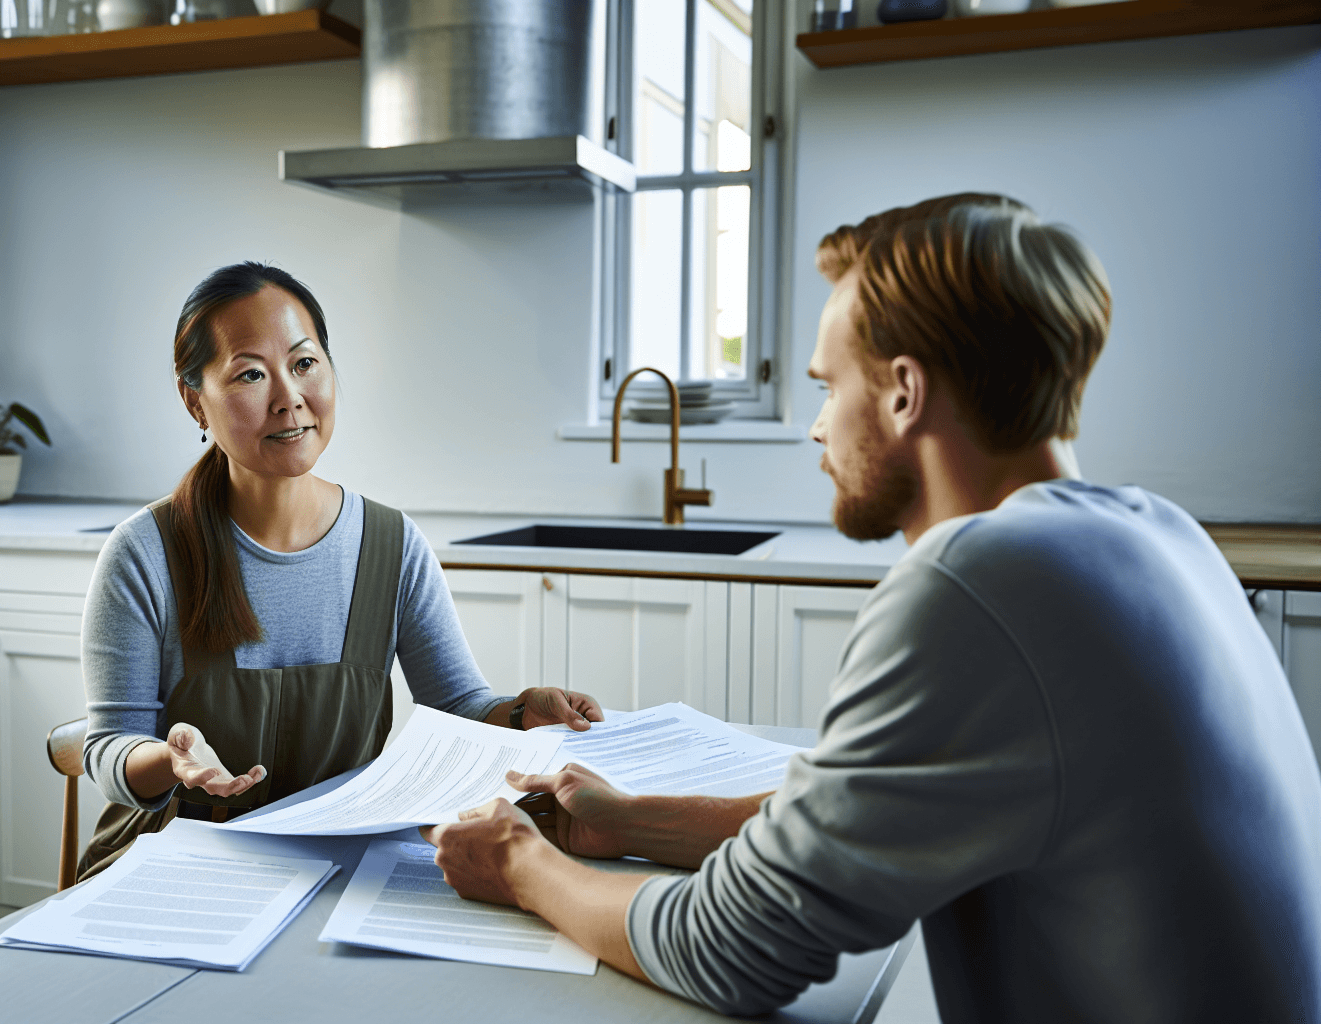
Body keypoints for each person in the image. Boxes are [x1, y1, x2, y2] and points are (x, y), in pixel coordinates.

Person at [426, 194, 1321, 1022]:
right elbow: (847, 816)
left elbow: (729, 950)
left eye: (826, 386)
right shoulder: (1151, 534)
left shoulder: (978, 582)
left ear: (902, 391)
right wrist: (625, 820)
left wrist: (521, 864)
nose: (817, 426)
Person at [78, 261, 602, 878]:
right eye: (250, 374)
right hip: (174, 868)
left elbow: (459, 703)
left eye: (305, 364)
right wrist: (169, 759)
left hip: (333, 865)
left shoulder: (392, 545)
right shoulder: (146, 553)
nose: (289, 398)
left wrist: (519, 712)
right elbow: (108, 747)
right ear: (195, 401)